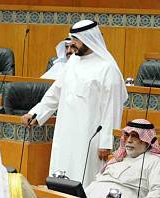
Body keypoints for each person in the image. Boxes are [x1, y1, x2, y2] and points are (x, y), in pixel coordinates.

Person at [22, 20, 128, 187]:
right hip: (66, 133)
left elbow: (112, 109)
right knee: (61, 174)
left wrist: (106, 143)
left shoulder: (108, 68)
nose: (72, 44)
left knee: (85, 180)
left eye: (76, 40)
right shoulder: (73, 62)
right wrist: (36, 113)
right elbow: (56, 92)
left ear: (88, 39)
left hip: (90, 138)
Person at [86, 119, 160, 198]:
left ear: (147, 140)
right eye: (127, 135)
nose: (129, 140)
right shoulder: (118, 158)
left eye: (135, 136)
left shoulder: (156, 162)